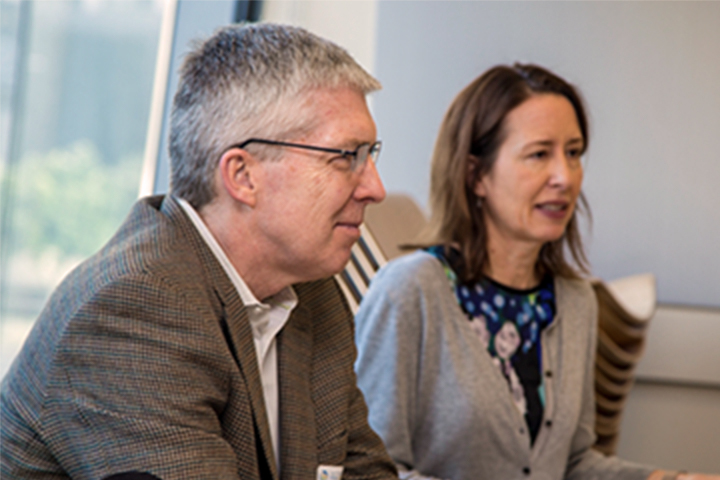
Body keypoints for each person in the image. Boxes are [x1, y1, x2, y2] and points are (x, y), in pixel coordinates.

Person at [1, 23, 397, 480]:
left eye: (371, 155)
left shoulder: (313, 293)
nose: (375, 188)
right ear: (243, 176)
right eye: (345, 156)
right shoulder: (133, 310)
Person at [354, 64, 718, 480]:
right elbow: (369, 471)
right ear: (476, 175)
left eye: (574, 152)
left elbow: (574, 463)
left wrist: (669, 479)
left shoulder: (574, 301)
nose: (565, 177)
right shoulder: (409, 291)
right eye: (539, 154)